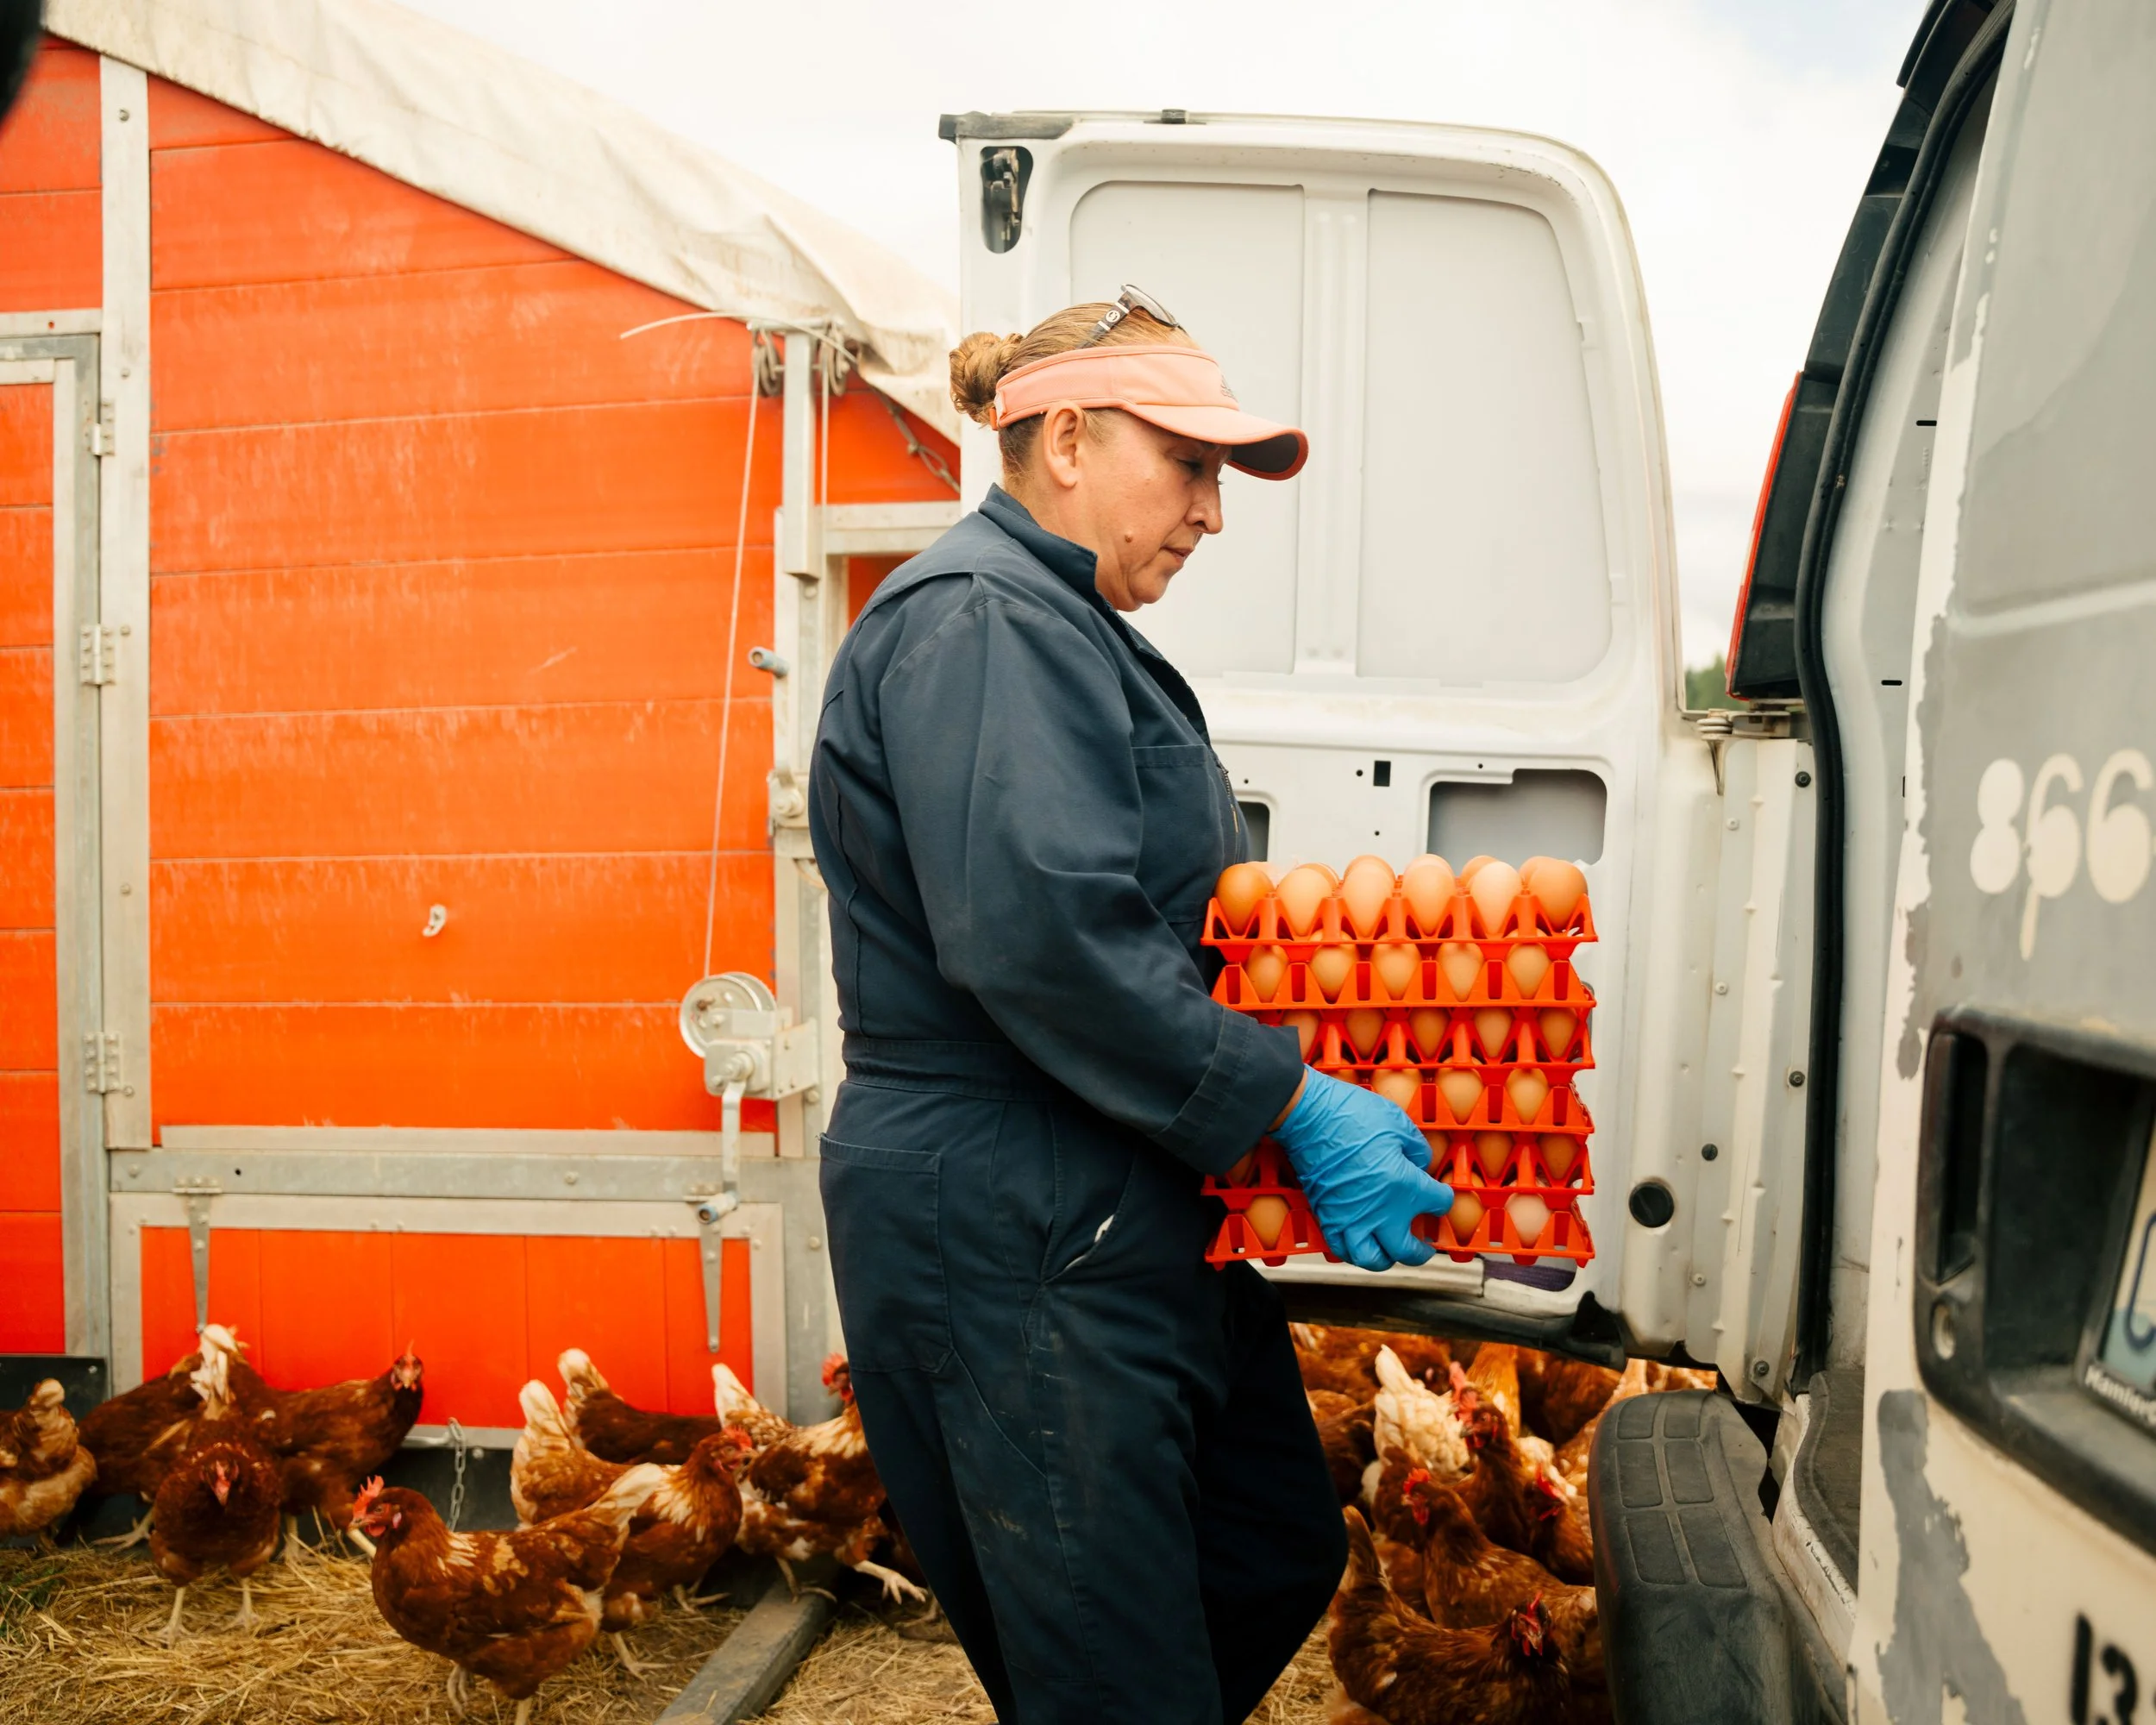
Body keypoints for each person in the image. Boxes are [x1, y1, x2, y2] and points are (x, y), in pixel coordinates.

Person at [806, 288, 1454, 1723]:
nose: (1214, 513)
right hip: (1010, 1197)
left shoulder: (1061, 621)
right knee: (1114, 1661)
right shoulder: (985, 619)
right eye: (1194, 464)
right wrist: (1282, 1097)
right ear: (1071, 438)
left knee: (1268, 1541)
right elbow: (1045, 939)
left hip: (1108, 1172)